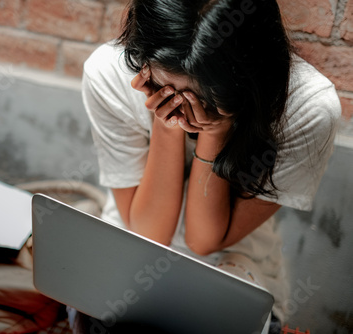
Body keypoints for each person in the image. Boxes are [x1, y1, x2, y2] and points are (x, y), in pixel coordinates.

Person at [75, 0, 342, 333]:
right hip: (132, 256)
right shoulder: (109, 73)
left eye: (207, 98)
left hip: (237, 268)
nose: (187, 109)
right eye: (167, 90)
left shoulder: (307, 108)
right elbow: (149, 233)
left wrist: (216, 131)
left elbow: (204, 240)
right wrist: (167, 124)